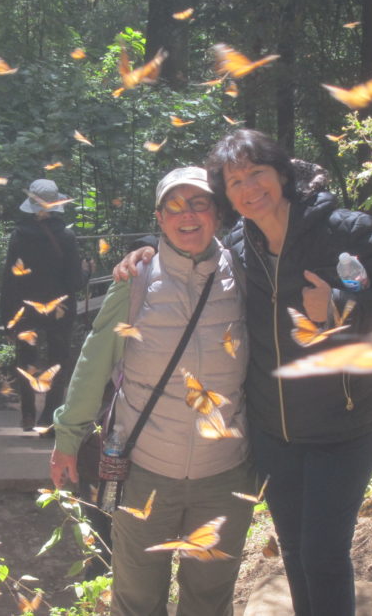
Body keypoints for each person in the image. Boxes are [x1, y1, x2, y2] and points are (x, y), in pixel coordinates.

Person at [116, 130, 372, 616]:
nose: (248, 188)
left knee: (323, 552)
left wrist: (341, 306)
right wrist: (146, 249)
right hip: (274, 431)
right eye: (234, 181)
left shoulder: (345, 230)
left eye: (257, 173)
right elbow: (191, 245)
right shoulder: (239, 243)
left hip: (345, 421)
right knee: (295, 550)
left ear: (283, 175)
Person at [51, 167, 254, 616]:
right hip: (144, 472)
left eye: (199, 203)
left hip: (224, 475)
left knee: (209, 600)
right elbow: (93, 364)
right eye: (175, 206)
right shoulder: (136, 282)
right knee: (137, 600)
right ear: (159, 218)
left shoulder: (243, 274)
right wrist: (68, 439)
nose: (188, 216)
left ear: (217, 213)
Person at [0, 178, 84, 432]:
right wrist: (87, 272)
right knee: (58, 360)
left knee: (26, 360)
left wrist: (7, 316)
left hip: (25, 308)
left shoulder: (18, 237)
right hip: (59, 309)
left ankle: (27, 415)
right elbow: (74, 282)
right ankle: (49, 416)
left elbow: (9, 279)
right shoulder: (66, 237)